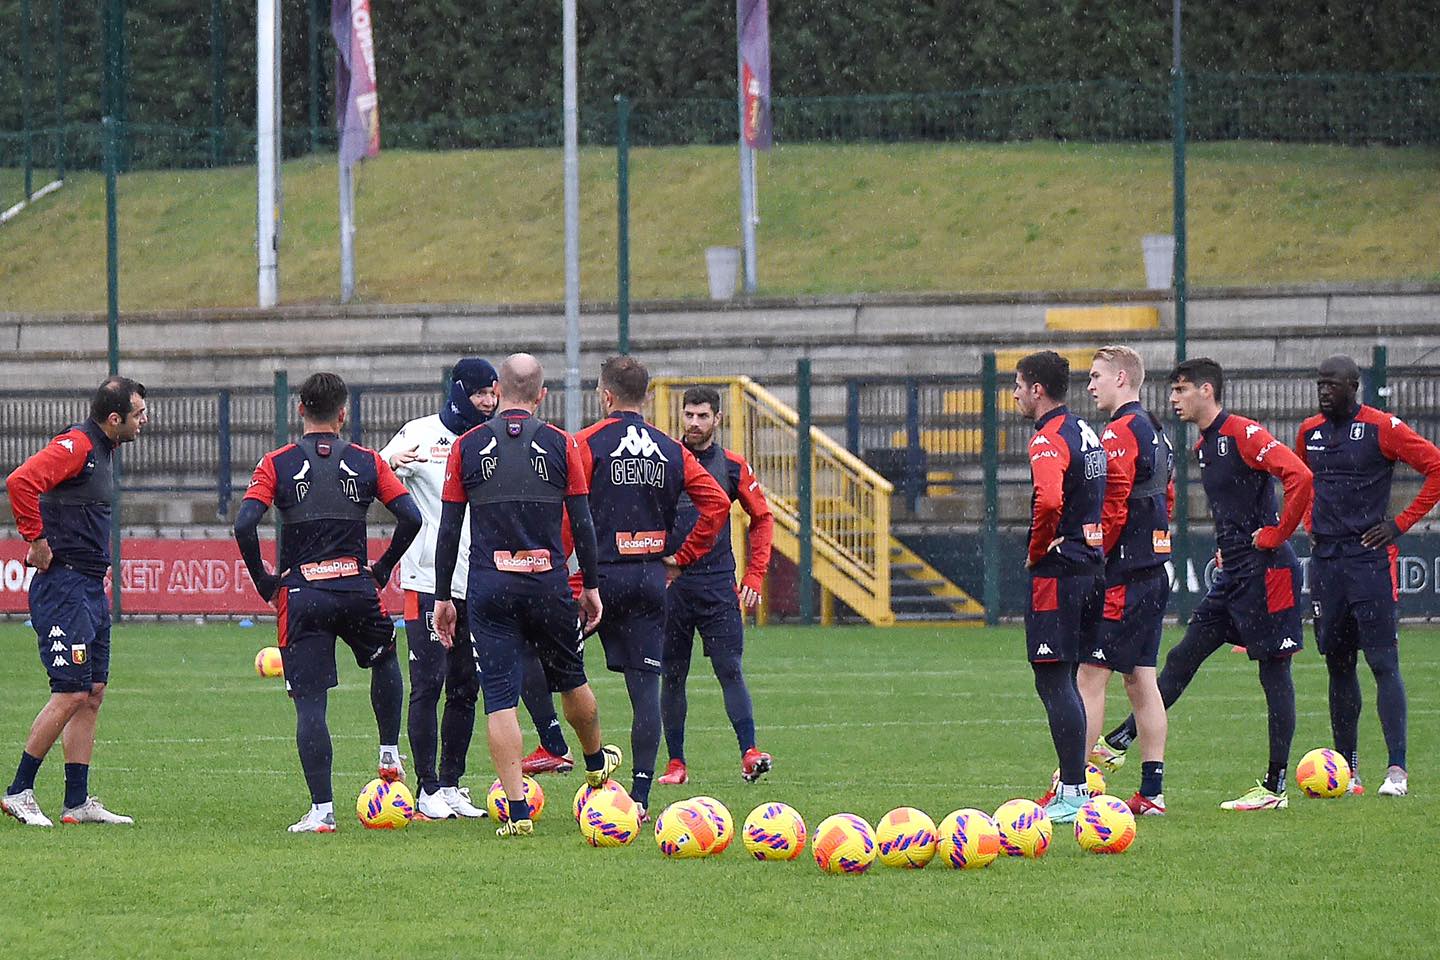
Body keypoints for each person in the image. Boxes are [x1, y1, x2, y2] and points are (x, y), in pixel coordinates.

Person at [1098, 358, 1313, 811]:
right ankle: (1120, 740)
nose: (1173, 399)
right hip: (1234, 573)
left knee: (1274, 674)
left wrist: (1276, 534)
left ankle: (1275, 788)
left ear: (1206, 390)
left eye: (1181, 390)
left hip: (1268, 572)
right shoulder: (1204, 445)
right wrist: (1227, 546)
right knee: (1183, 654)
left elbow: (1300, 476)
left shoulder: (1243, 434)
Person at [431, 353, 621, 838]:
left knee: (499, 701)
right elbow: (583, 522)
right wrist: (592, 586)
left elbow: (449, 528)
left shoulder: (468, 446)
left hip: (490, 588)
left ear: (497, 391)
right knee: (573, 679)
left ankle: (518, 812)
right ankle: (596, 763)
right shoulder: (562, 445)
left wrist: (442, 598)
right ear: (542, 395)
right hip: (547, 584)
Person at [234, 372, 422, 833]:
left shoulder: (276, 463)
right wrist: (381, 569)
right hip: (356, 588)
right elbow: (411, 517)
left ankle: (322, 811)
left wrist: (264, 580)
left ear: (300, 410)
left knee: (311, 703)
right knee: (385, 657)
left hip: (303, 595)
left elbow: (244, 524)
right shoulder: (366, 461)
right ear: (344, 413)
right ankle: (387, 752)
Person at [574, 356, 731, 818]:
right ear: (646, 396)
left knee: (550, 665)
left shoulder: (587, 443)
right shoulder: (671, 449)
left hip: (598, 578)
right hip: (648, 576)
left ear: (605, 396)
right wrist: (681, 557)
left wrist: (573, 575)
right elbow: (717, 504)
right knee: (646, 688)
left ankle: (567, 749)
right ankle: (640, 798)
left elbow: (568, 511)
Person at [2, 377, 148, 827]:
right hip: (63, 588)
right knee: (69, 692)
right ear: (114, 418)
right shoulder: (76, 445)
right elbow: (20, 480)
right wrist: (36, 539)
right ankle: (19, 790)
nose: (145, 421)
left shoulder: (104, 451)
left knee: (92, 694)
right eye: (139, 414)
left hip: (88, 589)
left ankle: (76, 802)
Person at [1294, 354, 1440, 798]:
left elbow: (1435, 467)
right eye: (1320, 383)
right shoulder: (1309, 432)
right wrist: (1307, 526)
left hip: (1368, 561)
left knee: (1382, 663)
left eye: (1333, 384)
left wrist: (1399, 524)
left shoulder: (1383, 428)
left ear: (1354, 385)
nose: (1324, 391)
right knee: (1338, 665)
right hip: (1326, 564)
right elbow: (1299, 482)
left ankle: (1396, 769)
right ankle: (1348, 770)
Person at [378, 358, 499, 820]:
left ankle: (450, 785)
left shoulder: (491, 442)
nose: (488, 403)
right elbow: (376, 477)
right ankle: (425, 787)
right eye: (479, 394)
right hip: (427, 581)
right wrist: (391, 463)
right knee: (429, 682)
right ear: (458, 392)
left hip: (481, 581)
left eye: (493, 394)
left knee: (467, 686)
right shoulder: (420, 433)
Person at [656, 385, 775, 786]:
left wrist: (754, 575)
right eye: (689, 415)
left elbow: (763, 518)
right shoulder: (667, 461)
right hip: (672, 587)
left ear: (717, 419)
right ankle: (676, 764)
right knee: (672, 674)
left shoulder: (733, 466)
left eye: (702, 415)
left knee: (730, 669)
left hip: (717, 587)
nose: (693, 422)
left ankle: (749, 752)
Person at [1013, 351, 1107, 825]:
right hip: (1092, 566)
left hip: (1060, 571)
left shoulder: (1048, 439)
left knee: (1053, 678)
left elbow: (1049, 499)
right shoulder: (1085, 432)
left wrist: (1036, 549)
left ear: (1037, 390)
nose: (1013, 395)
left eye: (1018, 385)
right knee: (1070, 677)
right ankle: (1076, 784)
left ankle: (1073, 790)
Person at [1079, 346, 1174, 816]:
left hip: (1123, 574)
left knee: (1089, 676)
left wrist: (1095, 553)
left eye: (1097, 376)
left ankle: (1071, 789)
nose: (1091, 385)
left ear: (1122, 378)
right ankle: (1152, 793)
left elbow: (1113, 502)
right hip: (1154, 570)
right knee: (1140, 681)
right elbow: (1166, 495)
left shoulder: (1119, 431)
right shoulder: (1157, 430)